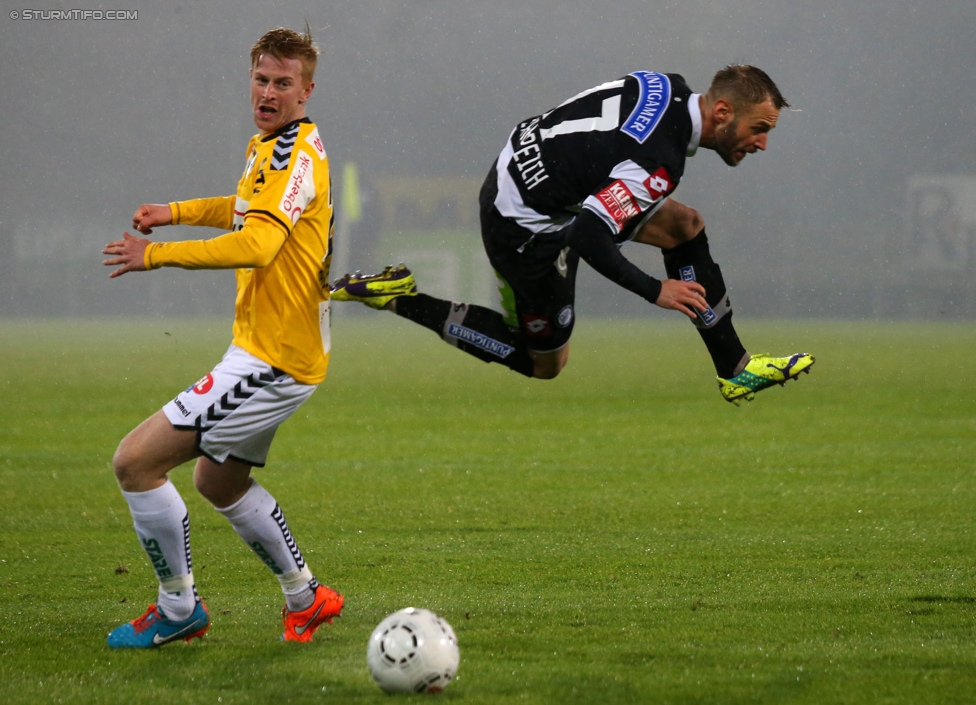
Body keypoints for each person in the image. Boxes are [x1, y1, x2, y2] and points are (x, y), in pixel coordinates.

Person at [331, 66, 814, 404]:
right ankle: (398, 297)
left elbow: (601, 131)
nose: (763, 143)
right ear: (724, 112)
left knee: (684, 226)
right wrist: (655, 290)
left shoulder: (666, 85)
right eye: (760, 128)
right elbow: (588, 235)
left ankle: (735, 368)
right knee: (544, 364)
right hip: (522, 226)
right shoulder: (657, 163)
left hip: (529, 173)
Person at [100, 26, 342, 648]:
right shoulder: (274, 145)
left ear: (307, 89)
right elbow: (243, 205)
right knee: (218, 481)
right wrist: (173, 211)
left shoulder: (291, 155)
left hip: (273, 359)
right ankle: (306, 598)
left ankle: (179, 608)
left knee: (136, 462)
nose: (268, 91)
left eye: (283, 83)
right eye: (261, 79)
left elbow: (260, 243)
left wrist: (155, 257)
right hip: (279, 350)